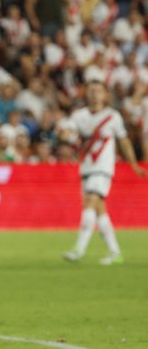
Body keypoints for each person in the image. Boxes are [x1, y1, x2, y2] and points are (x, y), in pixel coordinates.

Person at [62, 80, 145, 265]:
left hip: (103, 168)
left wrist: (133, 164)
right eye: (91, 90)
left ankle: (79, 249)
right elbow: (67, 131)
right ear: (86, 93)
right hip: (86, 167)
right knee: (100, 211)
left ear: (105, 95)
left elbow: (123, 141)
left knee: (89, 202)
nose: (95, 94)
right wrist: (64, 134)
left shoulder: (112, 116)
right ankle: (115, 252)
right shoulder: (79, 115)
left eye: (98, 91)